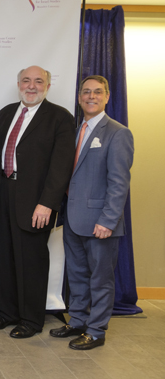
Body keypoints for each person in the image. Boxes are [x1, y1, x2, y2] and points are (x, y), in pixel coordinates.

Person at [0, 66, 75, 338]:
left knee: (31, 263)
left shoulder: (60, 118)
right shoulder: (4, 114)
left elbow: (61, 166)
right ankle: (8, 313)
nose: (32, 86)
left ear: (48, 85)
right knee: (3, 260)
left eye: (39, 81)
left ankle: (31, 320)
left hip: (35, 201)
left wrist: (47, 203)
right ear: (18, 84)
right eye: (26, 80)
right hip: (2, 197)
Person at [50, 75, 134, 350]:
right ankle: (77, 321)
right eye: (86, 92)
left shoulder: (118, 133)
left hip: (101, 223)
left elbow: (119, 183)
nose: (91, 96)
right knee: (76, 275)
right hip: (73, 219)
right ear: (79, 97)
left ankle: (96, 331)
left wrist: (108, 221)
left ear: (107, 97)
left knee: (100, 279)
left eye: (98, 92)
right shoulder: (76, 130)